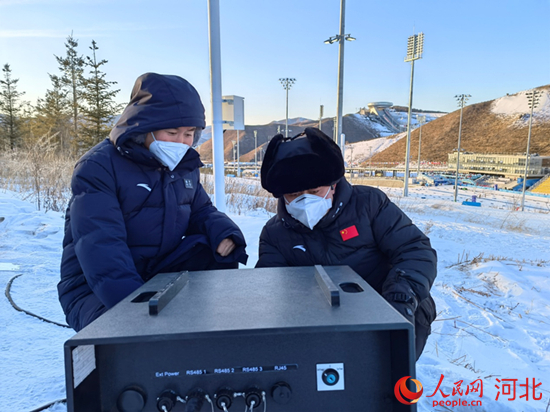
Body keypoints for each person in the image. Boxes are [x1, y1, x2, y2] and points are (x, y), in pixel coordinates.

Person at [58, 73, 248, 331]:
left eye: (189, 134)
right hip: (96, 285)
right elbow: (101, 245)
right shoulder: (99, 166)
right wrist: (137, 310)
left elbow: (201, 210)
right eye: (172, 132)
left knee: (210, 250)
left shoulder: (183, 165)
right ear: (144, 128)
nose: (181, 142)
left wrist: (224, 233)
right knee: (135, 339)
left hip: (157, 271)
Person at [256, 127, 437, 360]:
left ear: (333, 184)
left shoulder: (369, 204)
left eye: (314, 191)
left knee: (388, 368)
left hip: (386, 303)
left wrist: (400, 298)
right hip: (320, 318)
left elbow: (414, 250)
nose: (305, 201)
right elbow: (271, 287)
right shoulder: (274, 234)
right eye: (293, 195)